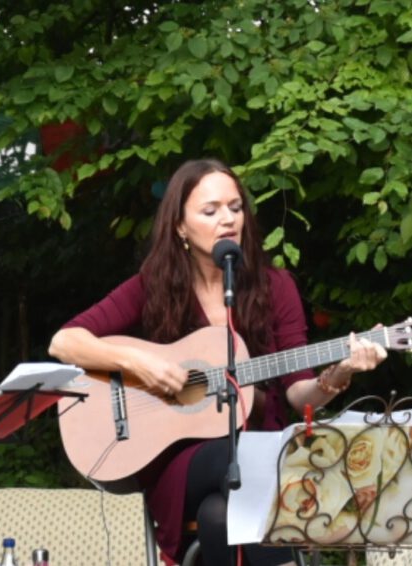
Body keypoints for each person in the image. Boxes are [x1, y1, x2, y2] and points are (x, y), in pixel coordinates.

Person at [48, 158, 387, 565]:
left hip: (258, 452)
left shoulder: (275, 287)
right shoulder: (154, 286)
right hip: (179, 463)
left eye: (235, 207)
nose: (228, 219)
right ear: (180, 226)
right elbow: (65, 341)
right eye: (210, 211)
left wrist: (340, 373)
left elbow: (300, 394)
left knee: (220, 515)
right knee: (240, 457)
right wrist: (139, 363)